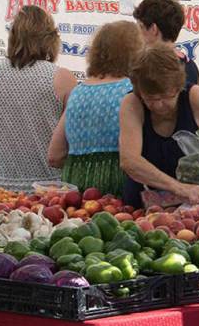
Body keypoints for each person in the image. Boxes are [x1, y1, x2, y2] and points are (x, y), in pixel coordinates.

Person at [119, 45, 199, 211]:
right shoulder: (132, 103)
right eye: (150, 98)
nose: (158, 105)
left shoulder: (194, 97)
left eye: (166, 96)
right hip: (144, 210)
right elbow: (130, 161)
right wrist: (179, 188)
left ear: (178, 87)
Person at [0, 5, 77, 192]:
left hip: (0, 185)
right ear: (50, 38)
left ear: (13, 36)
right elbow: (71, 136)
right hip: (47, 187)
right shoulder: (63, 78)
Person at [47, 20, 142, 196]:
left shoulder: (78, 92)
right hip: (120, 189)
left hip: (75, 193)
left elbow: (55, 155)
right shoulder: (132, 90)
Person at [133, 0, 199, 87]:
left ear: (153, 29)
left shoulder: (148, 67)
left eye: (141, 27)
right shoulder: (191, 66)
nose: (137, 33)